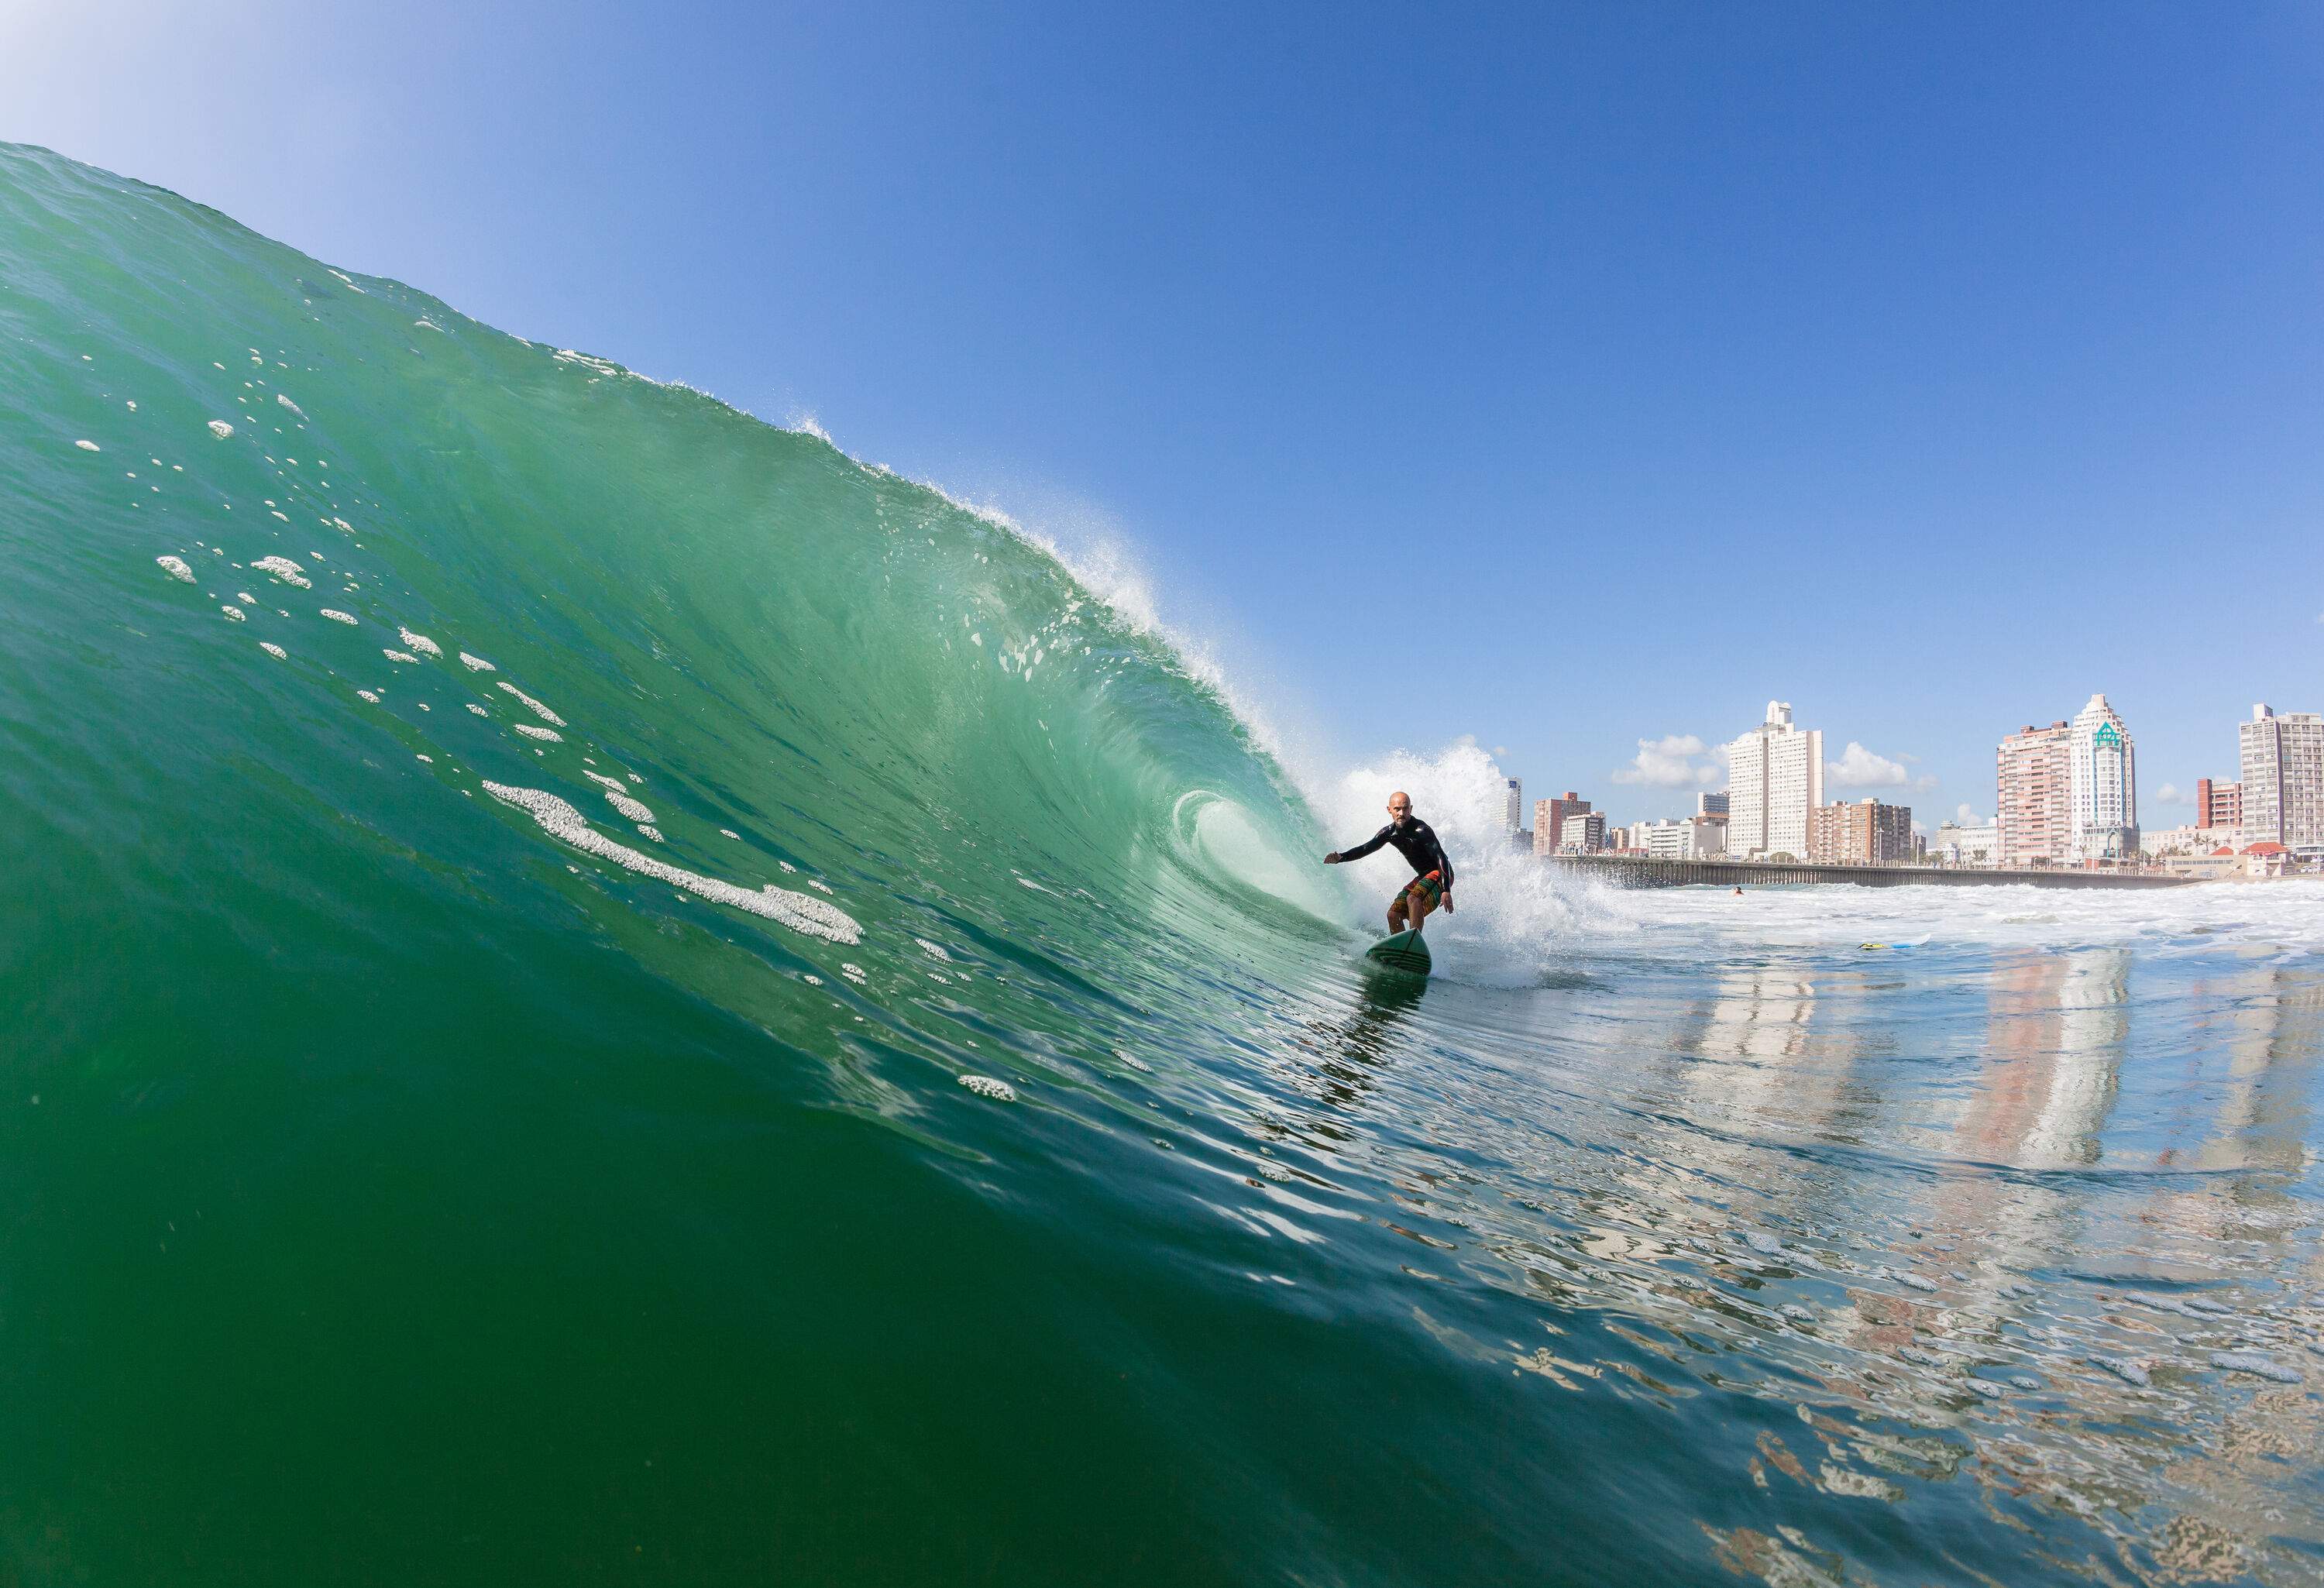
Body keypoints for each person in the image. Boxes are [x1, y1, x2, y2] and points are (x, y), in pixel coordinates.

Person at [1324, 791, 1456, 935]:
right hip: (1423, 876)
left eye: (1405, 809)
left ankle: (1413, 940)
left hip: (1441, 872)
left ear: (1411, 809)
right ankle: (1400, 947)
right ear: (1389, 810)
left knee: (1413, 897)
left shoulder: (1422, 830)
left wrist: (1446, 890)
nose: (1401, 813)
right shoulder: (1389, 833)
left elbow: (1440, 857)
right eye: (1397, 809)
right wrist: (1341, 857)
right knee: (1393, 915)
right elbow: (1365, 849)